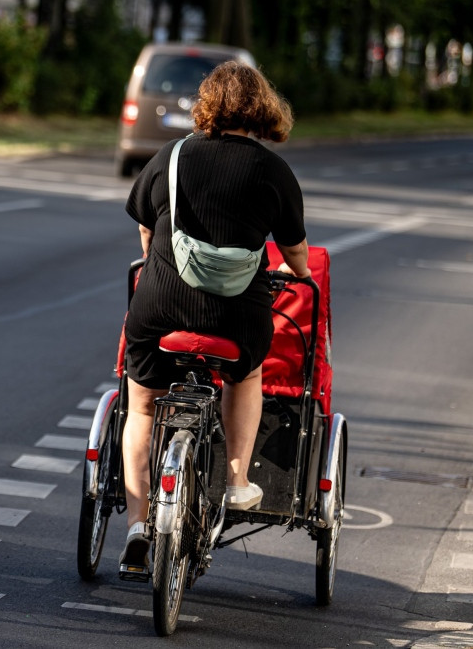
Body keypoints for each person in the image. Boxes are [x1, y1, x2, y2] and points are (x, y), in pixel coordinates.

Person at [118, 61, 311, 571]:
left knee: (140, 408)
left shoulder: (171, 156)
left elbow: (145, 232)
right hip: (235, 319)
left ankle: (138, 523)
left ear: (207, 104)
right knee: (246, 375)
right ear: (262, 109)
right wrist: (297, 268)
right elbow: (295, 256)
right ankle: (237, 481)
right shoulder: (272, 170)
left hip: (159, 306)